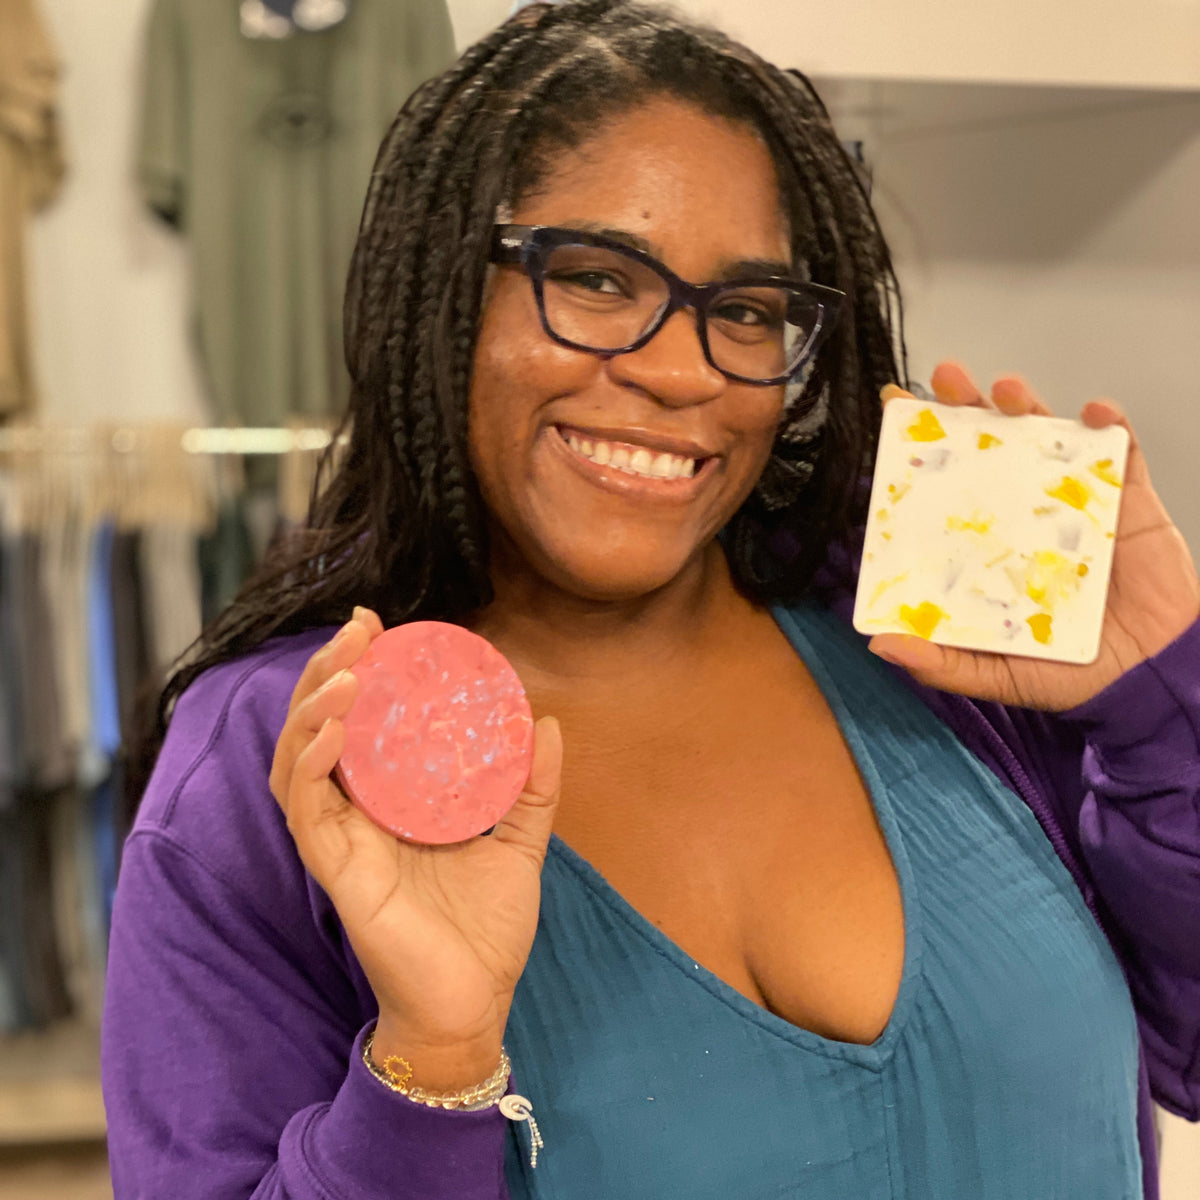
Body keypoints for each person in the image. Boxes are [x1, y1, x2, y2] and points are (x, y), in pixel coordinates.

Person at [102, 2, 1200, 1197]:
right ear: (439, 297)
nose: (682, 373)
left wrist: (1162, 712)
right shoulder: (281, 762)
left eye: (745, 310)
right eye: (595, 279)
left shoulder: (930, 639)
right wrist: (434, 1063)